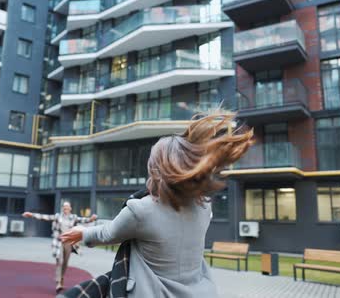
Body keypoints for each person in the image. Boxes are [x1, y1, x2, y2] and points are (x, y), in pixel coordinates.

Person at [60, 112, 253, 297]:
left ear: (155, 169)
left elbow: (109, 233)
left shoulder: (141, 211)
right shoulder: (204, 208)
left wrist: (83, 233)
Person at [23, 202, 97, 292]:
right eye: (64, 207)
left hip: (69, 242)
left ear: (70, 209)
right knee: (59, 261)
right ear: (62, 208)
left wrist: (91, 219)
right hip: (59, 242)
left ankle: (61, 277)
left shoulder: (73, 217)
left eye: (67, 207)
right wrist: (31, 215)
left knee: (65, 263)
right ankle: (58, 283)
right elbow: (45, 217)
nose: (65, 209)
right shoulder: (58, 216)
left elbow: (83, 220)